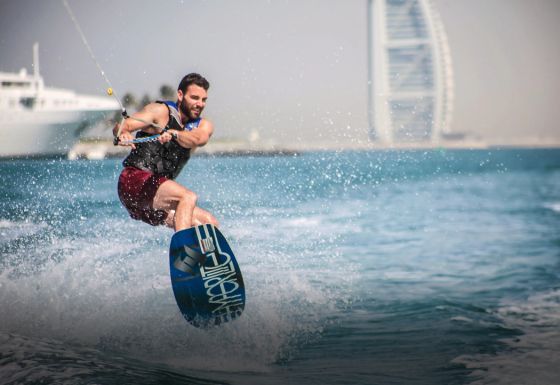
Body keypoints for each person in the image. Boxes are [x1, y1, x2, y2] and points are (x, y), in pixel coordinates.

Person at [114, 73, 219, 232]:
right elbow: (124, 125)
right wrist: (122, 133)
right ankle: (184, 247)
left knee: (208, 224)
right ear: (180, 95)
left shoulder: (202, 126)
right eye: (195, 98)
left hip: (153, 201)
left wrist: (175, 134)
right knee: (187, 197)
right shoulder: (160, 112)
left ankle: (198, 256)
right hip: (133, 183)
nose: (200, 104)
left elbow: (199, 138)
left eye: (203, 100)